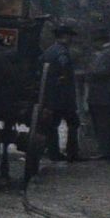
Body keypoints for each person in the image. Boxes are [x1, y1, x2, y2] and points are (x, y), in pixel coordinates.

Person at [40, 23, 83, 161]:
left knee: (53, 125)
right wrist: (64, 76)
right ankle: (72, 153)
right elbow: (64, 64)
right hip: (64, 97)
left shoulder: (49, 51)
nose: (71, 39)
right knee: (73, 123)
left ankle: (54, 153)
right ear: (65, 37)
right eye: (70, 36)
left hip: (51, 96)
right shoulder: (62, 52)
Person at [85, 27, 110, 161]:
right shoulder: (109, 53)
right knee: (106, 125)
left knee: (104, 125)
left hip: (102, 96)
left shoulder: (107, 54)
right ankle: (108, 151)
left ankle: (107, 152)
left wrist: (88, 73)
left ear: (99, 41)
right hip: (105, 95)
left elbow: (101, 72)